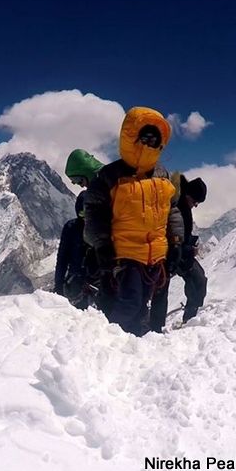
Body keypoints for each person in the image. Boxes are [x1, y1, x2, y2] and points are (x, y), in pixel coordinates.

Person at [83, 107, 184, 336]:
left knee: (142, 303)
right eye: (145, 136)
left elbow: (172, 210)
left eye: (155, 138)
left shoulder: (162, 174)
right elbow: (94, 212)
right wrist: (102, 244)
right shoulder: (109, 175)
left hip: (155, 255)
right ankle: (106, 340)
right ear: (131, 137)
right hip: (125, 254)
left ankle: (135, 343)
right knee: (130, 302)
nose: (150, 142)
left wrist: (176, 241)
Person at [148, 176, 209, 332]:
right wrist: (190, 249)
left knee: (196, 280)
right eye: (195, 202)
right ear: (188, 195)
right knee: (165, 289)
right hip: (169, 254)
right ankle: (158, 327)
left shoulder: (180, 205)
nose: (195, 206)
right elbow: (172, 237)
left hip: (179, 254)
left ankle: (183, 321)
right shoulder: (176, 206)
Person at [54, 149, 104, 308]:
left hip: (96, 282)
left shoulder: (97, 226)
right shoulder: (72, 227)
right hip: (79, 283)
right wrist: (58, 286)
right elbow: (62, 260)